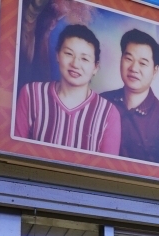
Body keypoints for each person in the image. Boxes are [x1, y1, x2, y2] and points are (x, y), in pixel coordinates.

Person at [15, 24, 121, 155]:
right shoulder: (31, 94)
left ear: (95, 67)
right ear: (57, 55)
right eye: (69, 54)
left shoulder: (108, 113)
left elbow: (107, 166)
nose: (75, 64)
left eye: (84, 59)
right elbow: (15, 152)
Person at [101, 28, 159, 167]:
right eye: (128, 59)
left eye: (143, 63)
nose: (134, 68)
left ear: (155, 71)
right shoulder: (101, 102)